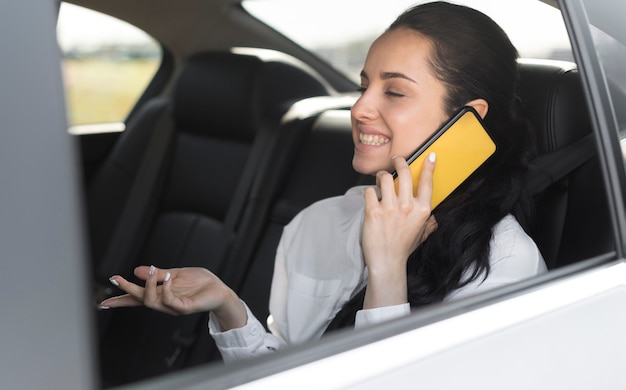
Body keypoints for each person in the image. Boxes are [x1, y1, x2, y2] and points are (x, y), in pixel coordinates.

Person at [100, 1, 547, 362]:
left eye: (393, 91)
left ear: (467, 119)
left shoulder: (507, 263)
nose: (359, 109)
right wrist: (228, 307)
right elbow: (296, 370)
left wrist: (387, 272)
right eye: (363, 85)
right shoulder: (317, 223)